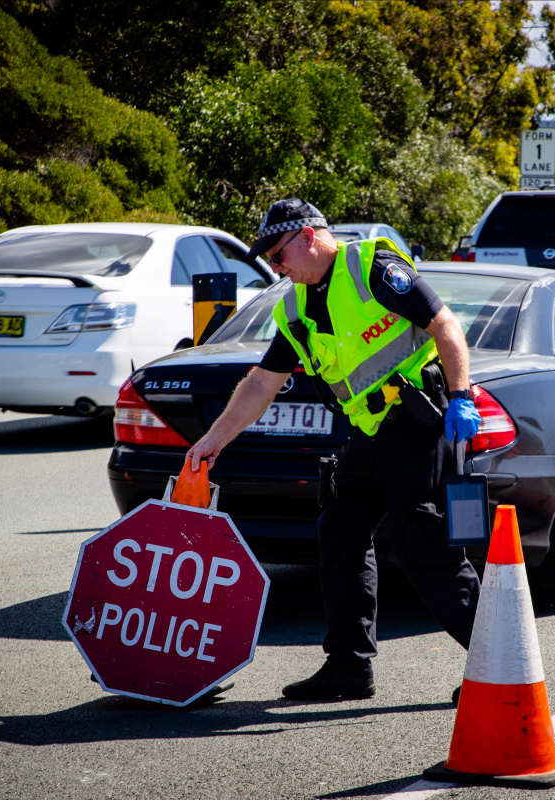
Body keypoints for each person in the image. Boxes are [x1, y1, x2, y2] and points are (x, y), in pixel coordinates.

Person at [186, 199, 484, 701]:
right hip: (371, 433)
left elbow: (445, 325)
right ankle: (348, 667)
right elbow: (261, 383)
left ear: (308, 237)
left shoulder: (373, 268)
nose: (276, 268)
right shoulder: (295, 308)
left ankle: (498, 663)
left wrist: (461, 396)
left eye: (278, 256)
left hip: (421, 422)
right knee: (340, 529)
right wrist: (213, 441)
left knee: (422, 544)